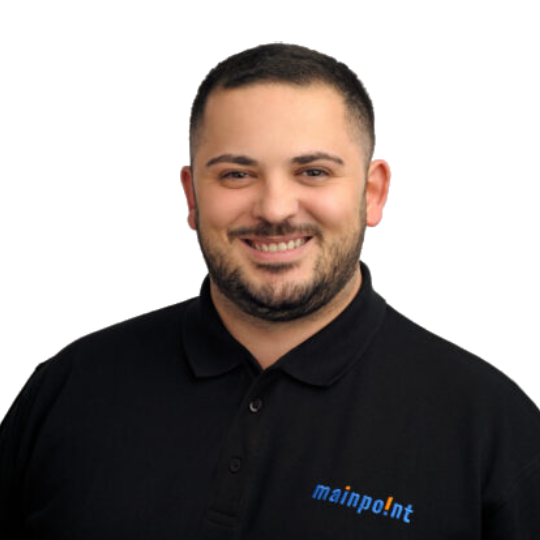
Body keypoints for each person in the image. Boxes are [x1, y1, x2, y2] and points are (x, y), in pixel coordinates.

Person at [1, 42, 539, 539]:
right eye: (237, 175)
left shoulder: (493, 429)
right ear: (192, 197)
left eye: (313, 172)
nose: (276, 209)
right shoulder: (68, 389)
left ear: (372, 193)